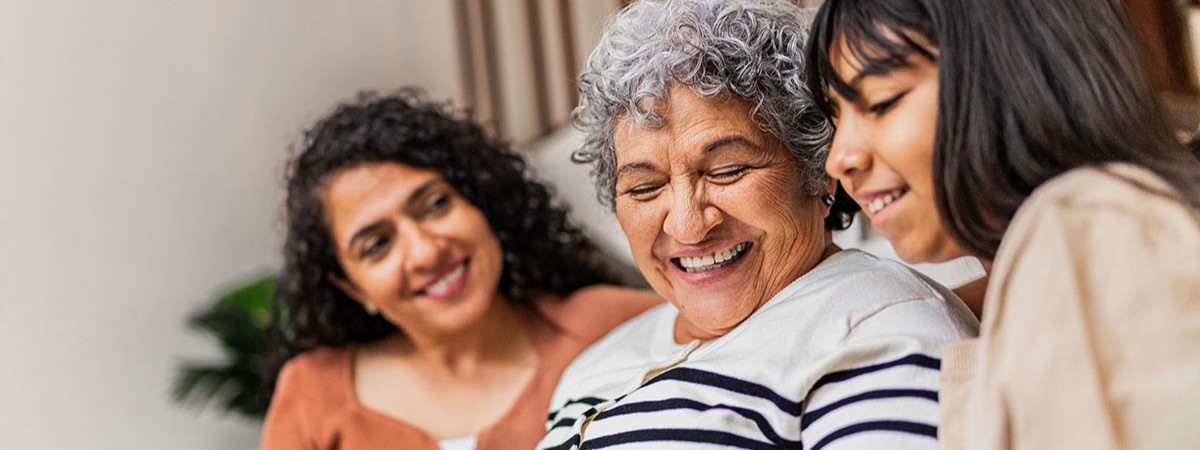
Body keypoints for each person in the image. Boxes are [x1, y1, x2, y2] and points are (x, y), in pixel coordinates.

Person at [537, 1, 978, 448]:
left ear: (817, 169)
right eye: (645, 188)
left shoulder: (881, 327)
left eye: (727, 171)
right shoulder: (595, 363)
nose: (689, 226)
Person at [805, 0, 1200, 448]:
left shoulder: (1079, 229)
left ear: (1008, 78)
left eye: (881, 102)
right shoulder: (1029, 272)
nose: (840, 159)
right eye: (836, 119)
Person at [261, 89, 662, 450]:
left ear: (480, 200)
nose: (424, 252)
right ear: (353, 288)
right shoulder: (311, 394)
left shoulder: (608, 326)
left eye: (436, 205)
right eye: (378, 245)